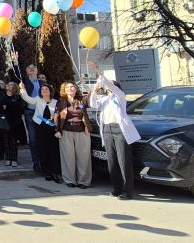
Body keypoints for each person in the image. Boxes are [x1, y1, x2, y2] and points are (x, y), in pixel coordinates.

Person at [88, 61, 140, 200]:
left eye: (109, 85)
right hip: (107, 129)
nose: (106, 86)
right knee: (112, 161)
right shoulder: (104, 99)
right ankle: (117, 188)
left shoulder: (120, 96)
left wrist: (99, 74)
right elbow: (93, 103)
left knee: (123, 160)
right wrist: (95, 88)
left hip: (119, 129)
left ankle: (127, 190)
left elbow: (111, 86)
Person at [19, 82, 61, 182]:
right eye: (42, 90)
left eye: (46, 89)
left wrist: (55, 117)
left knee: (54, 150)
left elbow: (59, 113)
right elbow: (28, 99)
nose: (44, 91)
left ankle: (55, 172)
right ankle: (47, 172)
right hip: (40, 127)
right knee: (43, 149)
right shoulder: (38, 99)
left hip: (52, 127)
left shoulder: (56, 102)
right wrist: (22, 89)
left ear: (50, 91)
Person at [55, 81, 92, 189]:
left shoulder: (81, 100)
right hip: (66, 131)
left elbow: (92, 97)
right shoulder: (61, 101)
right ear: (64, 90)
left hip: (82, 131)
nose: (70, 89)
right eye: (67, 87)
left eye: (72, 87)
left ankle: (83, 181)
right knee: (68, 157)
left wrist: (85, 86)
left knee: (84, 157)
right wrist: (57, 130)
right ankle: (70, 180)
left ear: (76, 89)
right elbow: (56, 116)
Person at [10, 52, 42, 171]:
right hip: (30, 113)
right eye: (29, 67)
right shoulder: (25, 82)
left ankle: (44, 160)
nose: (32, 68)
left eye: (34, 67)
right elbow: (17, 75)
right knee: (32, 139)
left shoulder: (42, 83)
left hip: (42, 114)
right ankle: (36, 163)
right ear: (27, 71)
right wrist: (15, 62)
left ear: (37, 71)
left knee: (42, 137)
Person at [0, 82, 26, 167]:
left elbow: (20, 109)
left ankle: (14, 159)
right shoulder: (3, 96)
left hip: (14, 122)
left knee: (13, 141)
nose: (8, 85)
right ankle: (8, 158)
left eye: (11, 84)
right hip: (5, 122)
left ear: (15, 88)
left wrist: (7, 106)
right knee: (6, 141)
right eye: (8, 84)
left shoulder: (17, 97)